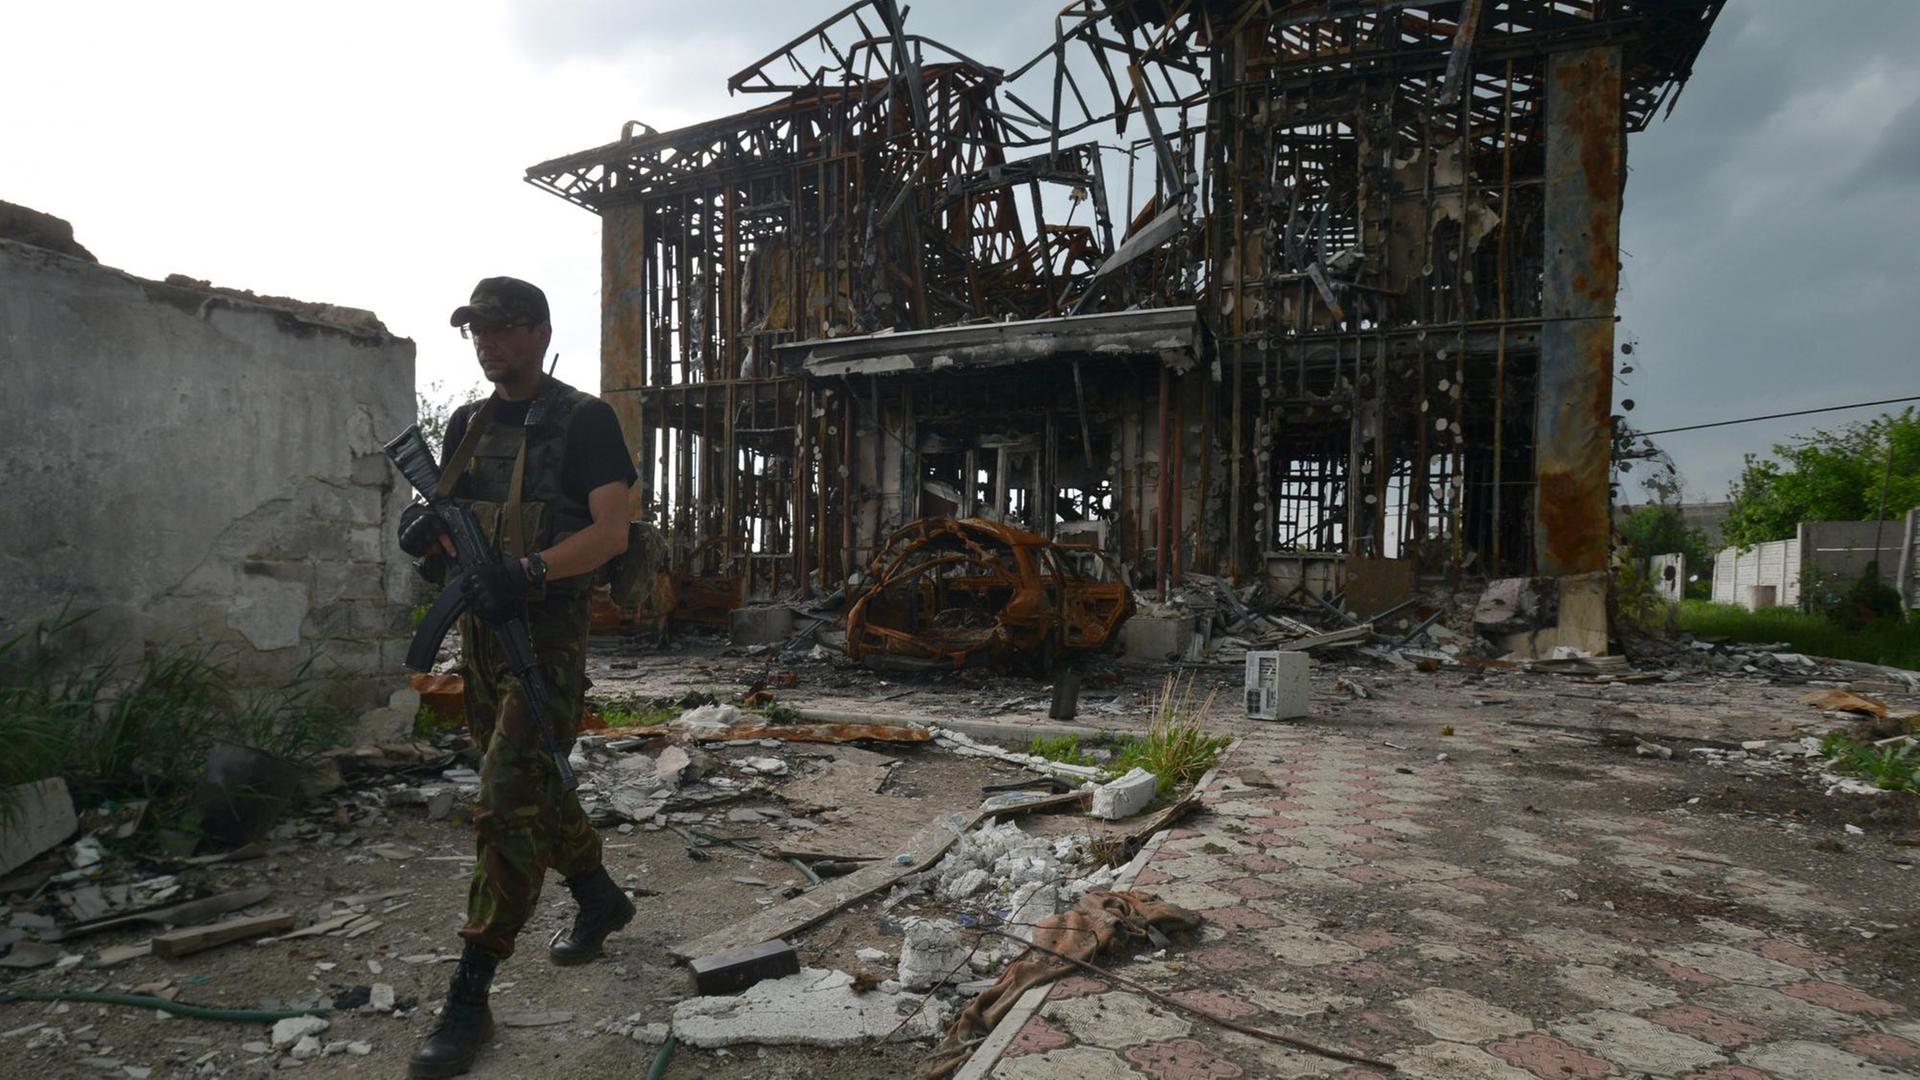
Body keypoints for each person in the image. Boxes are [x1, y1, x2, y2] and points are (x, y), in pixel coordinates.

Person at [396, 277, 638, 1079]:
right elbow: (457, 530)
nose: (488, 344)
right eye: (477, 332)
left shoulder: (586, 420)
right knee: (538, 785)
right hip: (481, 637)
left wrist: (530, 570)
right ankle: (599, 896)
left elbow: (611, 533)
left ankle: (471, 991)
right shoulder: (466, 425)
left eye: (503, 330)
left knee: (504, 798)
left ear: (538, 331)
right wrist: (425, 534)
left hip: (548, 642)